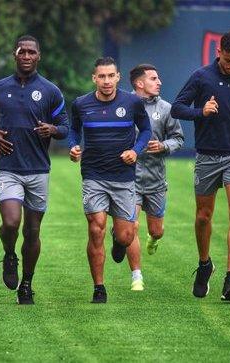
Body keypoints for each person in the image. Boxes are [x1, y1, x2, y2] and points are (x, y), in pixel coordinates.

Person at [171, 30, 230, 301]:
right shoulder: (201, 77)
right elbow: (177, 108)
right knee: (203, 216)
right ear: (219, 52)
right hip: (207, 156)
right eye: (228, 60)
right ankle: (204, 264)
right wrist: (201, 112)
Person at [0, 35, 69, 305]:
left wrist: (53, 129)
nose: (26, 56)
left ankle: (27, 284)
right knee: (11, 223)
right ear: (15, 54)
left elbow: (65, 126)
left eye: (32, 52)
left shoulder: (50, 90)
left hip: (38, 170)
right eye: (22, 51)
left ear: (38, 56)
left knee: (32, 231)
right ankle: (10, 255)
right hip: (8, 167)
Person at [69, 57, 151, 303]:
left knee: (126, 236)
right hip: (93, 175)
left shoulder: (133, 102)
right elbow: (73, 130)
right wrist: (73, 145)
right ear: (94, 78)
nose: (106, 81)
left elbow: (146, 130)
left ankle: (119, 240)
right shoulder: (81, 104)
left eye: (110, 76)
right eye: (101, 76)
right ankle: (99, 288)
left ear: (118, 77)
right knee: (96, 228)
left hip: (123, 177)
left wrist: (136, 150)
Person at [118, 64, 184, 291]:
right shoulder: (124, 106)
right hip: (129, 179)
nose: (159, 82)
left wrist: (163, 146)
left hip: (156, 181)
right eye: (154, 78)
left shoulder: (166, 109)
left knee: (157, 230)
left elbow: (178, 138)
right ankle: (137, 276)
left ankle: (153, 239)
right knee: (131, 227)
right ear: (139, 83)